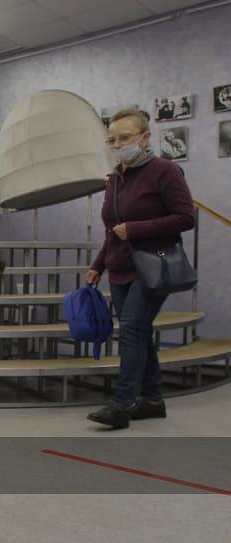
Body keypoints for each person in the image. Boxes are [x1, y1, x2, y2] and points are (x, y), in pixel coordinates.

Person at [86, 108, 195, 429]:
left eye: (124, 138)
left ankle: (122, 404)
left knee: (132, 330)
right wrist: (98, 265)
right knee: (141, 333)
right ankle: (153, 400)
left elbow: (185, 218)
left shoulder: (165, 171)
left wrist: (136, 229)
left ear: (144, 138)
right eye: (112, 140)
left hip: (153, 265)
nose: (117, 145)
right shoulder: (114, 178)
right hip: (119, 267)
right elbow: (112, 229)